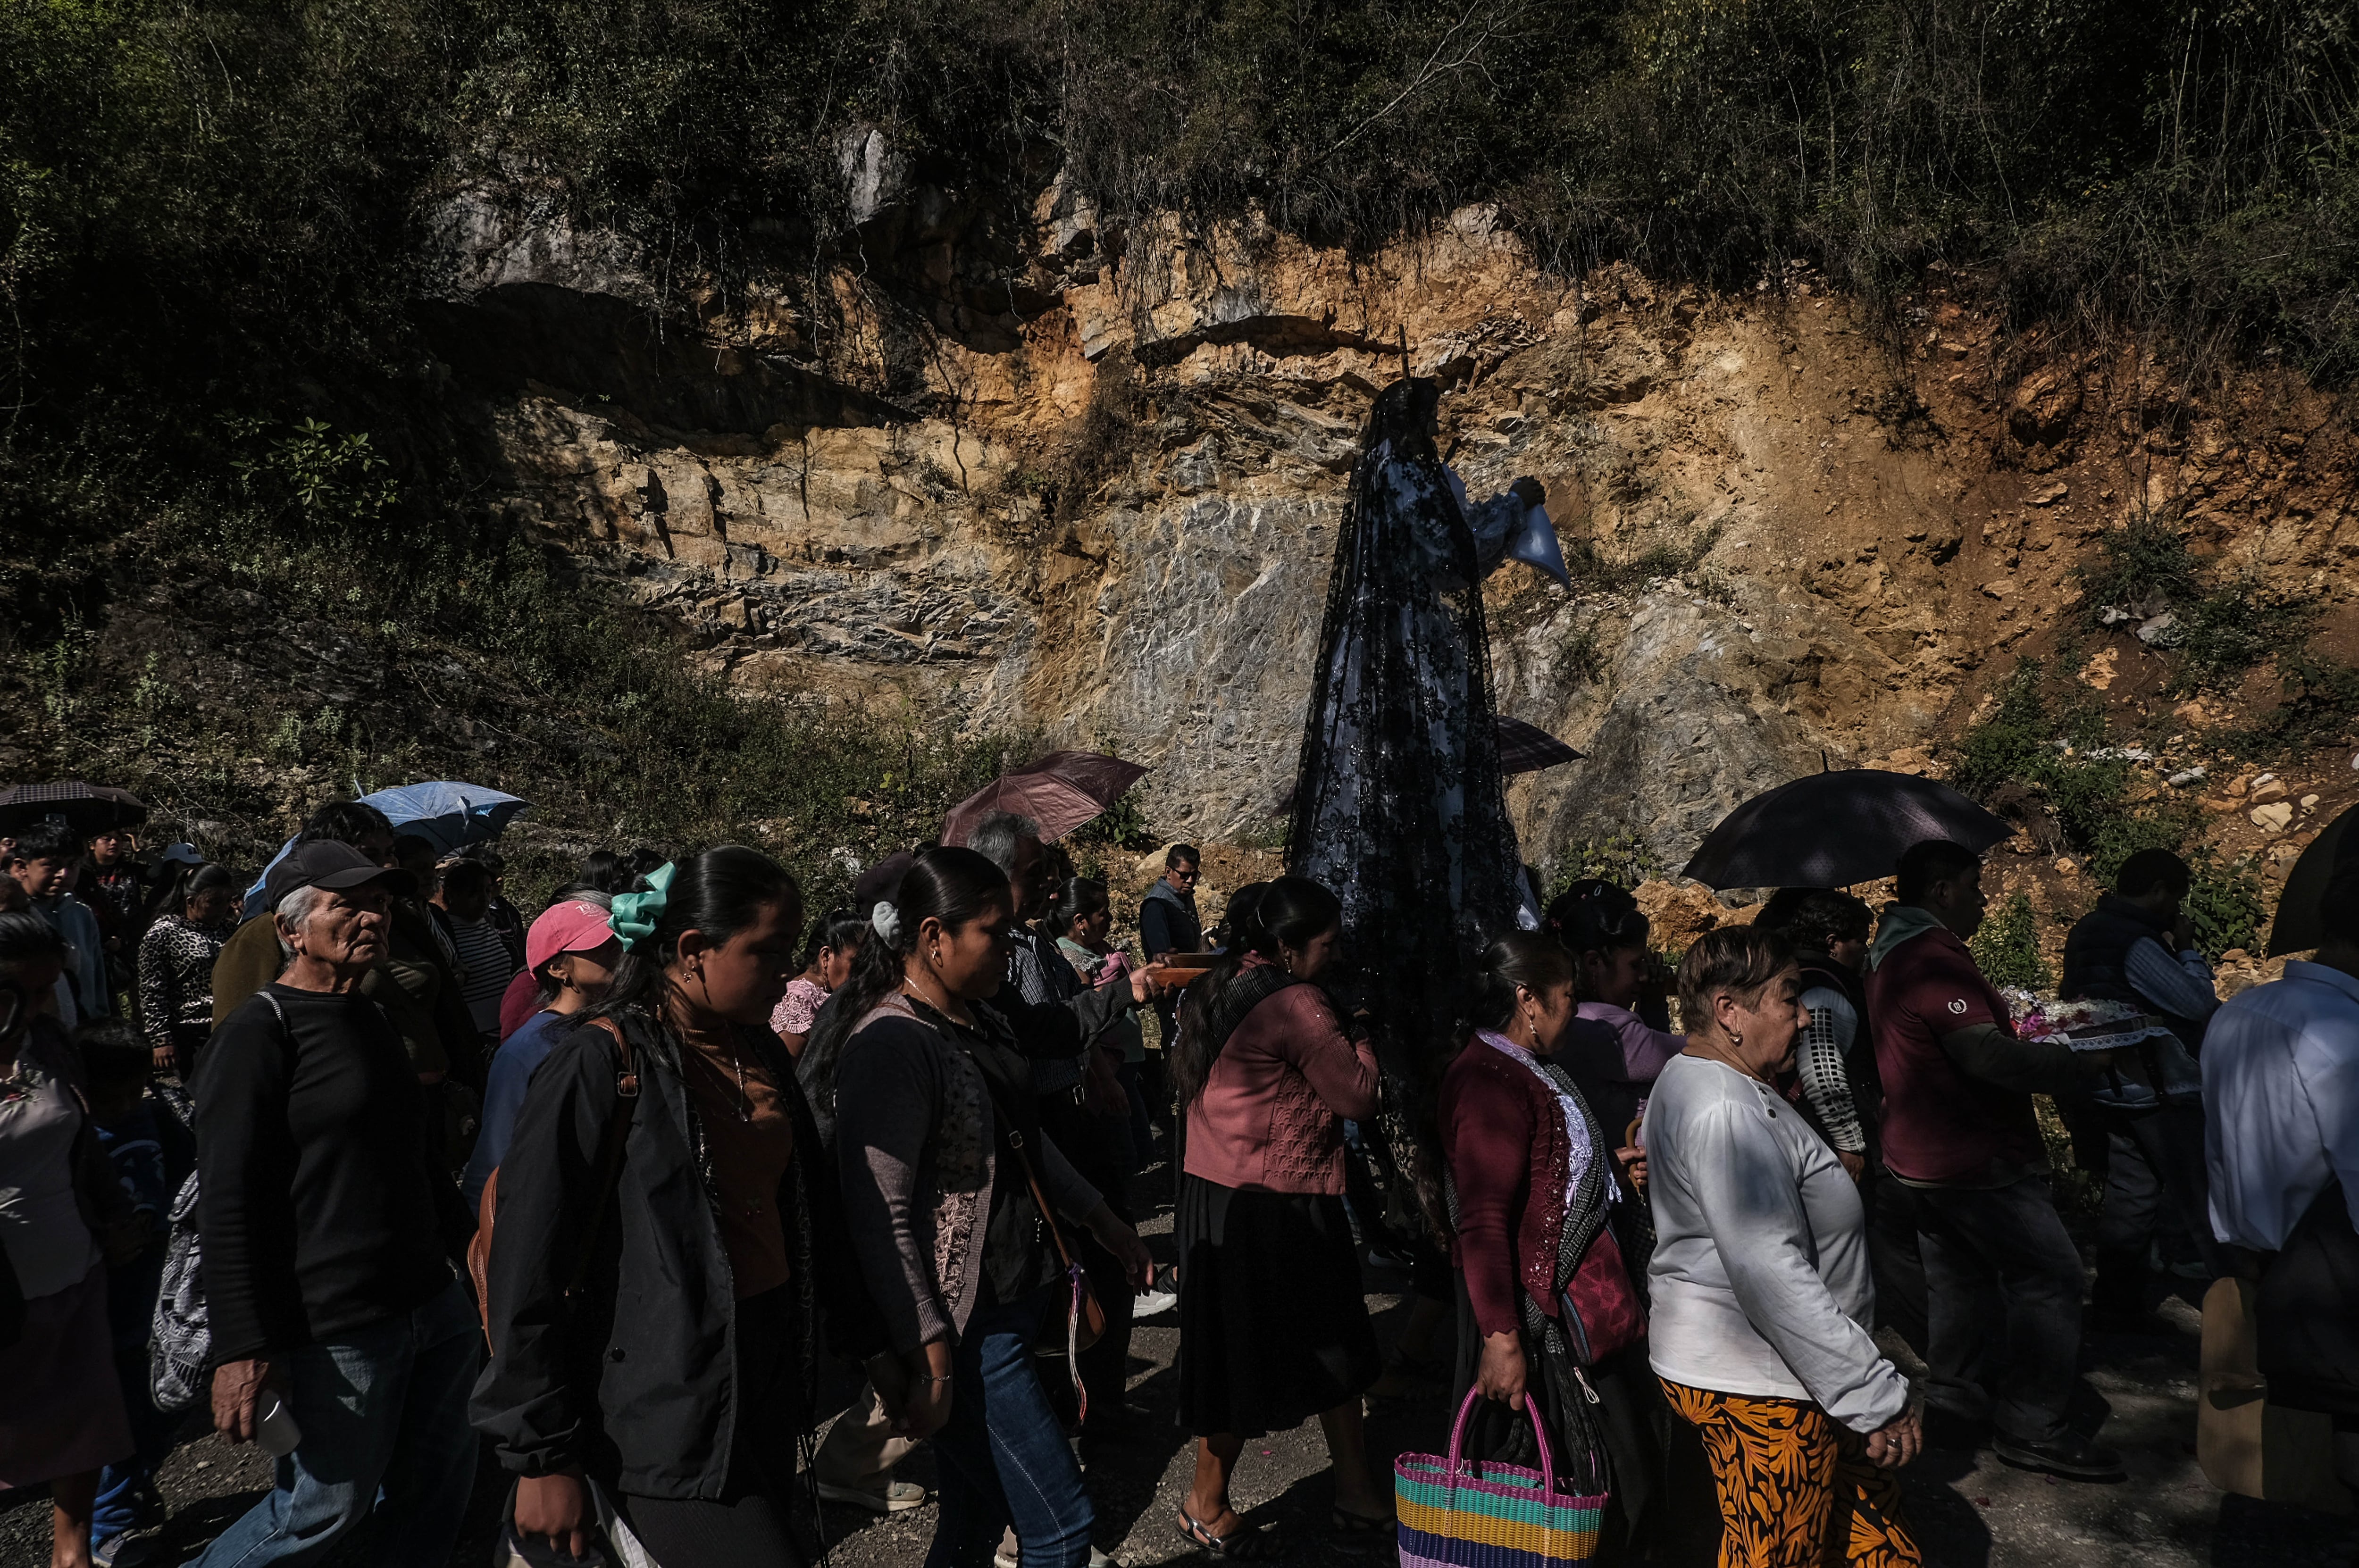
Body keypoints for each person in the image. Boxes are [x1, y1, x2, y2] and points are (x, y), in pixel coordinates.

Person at [477, 848, 880, 1565]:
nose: (787, 971)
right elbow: (526, 1265)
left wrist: (872, 1342)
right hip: (659, 1400)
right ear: (693, 950)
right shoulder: (598, 1065)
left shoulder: (753, 1047)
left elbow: (811, 1210)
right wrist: (539, 1457)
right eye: (767, 951)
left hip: (761, 1375)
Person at [834, 847, 1154, 1568]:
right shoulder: (893, 1042)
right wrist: (933, 1354)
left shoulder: (982, 1020)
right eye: (993, 933)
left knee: (974, 1516)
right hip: (966, 1327)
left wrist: (1105, 1223)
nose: (1008, 952)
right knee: (1062, 1526)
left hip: (1014, 1296)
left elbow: (1023, 1150)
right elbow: (878, 1213)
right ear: (932, 936)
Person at [190, 841, 481, 1568]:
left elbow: (415, 1160)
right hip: (338, 1325)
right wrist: (243, 1349)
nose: (371, 918)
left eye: (380, 904)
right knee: (319, 1513)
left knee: (434, 1489)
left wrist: (477, 1251)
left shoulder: (370, 1018)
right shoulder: (260, 1033)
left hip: (429, 1303)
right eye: (346, 904)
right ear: (291, 929)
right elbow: (229, 1202)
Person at [1648, 923, 1923, 1567]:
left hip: (1802, 1368)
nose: (1803, 1018)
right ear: (1729, 1011)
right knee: (1776, 1556)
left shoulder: (1714, 1083)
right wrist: (1871, 1392)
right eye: (1788, 997)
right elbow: (1767, 1269)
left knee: (1876, 1547)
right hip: (1761, 1381)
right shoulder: (1726, 1110)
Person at [1865, 839, 2119, 1478]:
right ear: (1943, 891)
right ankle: (2033, 1425)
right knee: (2051, 1278)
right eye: (1975, 889)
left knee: (1958, 1278)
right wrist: (2079, 1065)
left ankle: (1956, 1401)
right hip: (1971, 1156)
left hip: (1921, 1155)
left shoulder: (1893, 954)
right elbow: (1988, 1057)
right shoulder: (1928, 959)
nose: (1983, 902)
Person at [1170, 875, 1389, 1555]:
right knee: (1289, 1346)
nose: (1334, 954)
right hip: (1274, 1200)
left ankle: (1351, 1490)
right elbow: (1356, 1097)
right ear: (1290, 948)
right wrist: (1361, 1033)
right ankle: (1207, 1501)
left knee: (1277, 1346)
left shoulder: (1229, 977)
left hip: (1219, 1190)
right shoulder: (1301, 1004)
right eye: (1326, 944)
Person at [1442, 932, 1672, 1561]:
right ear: (1529, 999)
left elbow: (1540, 1182)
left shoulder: (1527, 1065)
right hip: (1527, 1321)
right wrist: (1502, 1339)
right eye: (1567, 997)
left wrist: (1606, 1175)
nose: (1574, 1009)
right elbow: (1485, 1219)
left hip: (1567, 1307)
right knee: (1549, 1487)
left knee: (1617, 1470)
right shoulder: (1490, 1081)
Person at [967, 812, 1151, 1440]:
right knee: (1059, 1271)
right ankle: (1070, 1409)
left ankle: (1099, 1398)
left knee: (1102, 1247)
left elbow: (1062, 1018)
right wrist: (1126, 995)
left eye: (1048, 874)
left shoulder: (1033, 938)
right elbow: (1041, 1030)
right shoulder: (994, 954)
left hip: (1065, 1110)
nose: (1049, 887)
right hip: (1037, 1122)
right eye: (1033, 875)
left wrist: (1094, 1064)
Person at [2202, 858, 2359, 1493]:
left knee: (2296, 1446)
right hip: (2328, 1277)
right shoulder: (2343, 1034)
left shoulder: (2242, 1010)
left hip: (2250, 1255)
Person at [0, 917, 148, 1568]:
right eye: (25, 993)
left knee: (83, 1417)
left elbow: (85, 1146)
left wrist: (113, 1221)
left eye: (48, 991)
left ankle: (74, 1551)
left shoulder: (50, 1043)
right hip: (3, 1290)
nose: (40, 1007)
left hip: (71, 1267)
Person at [2058, 848, 2224, 1329]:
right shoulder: (2135, 940)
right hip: (2159, 1086)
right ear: (2157, 891)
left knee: (2131, 1192)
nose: (2175, 907)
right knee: (2199, 1191)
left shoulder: (2085, 931)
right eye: (2173, 897)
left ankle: (2116, 1302)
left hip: (2110, 1084)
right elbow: (2195, 1003)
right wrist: (2188, 949)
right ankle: (2237, 1307)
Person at [1782, 889, 1929, 1357]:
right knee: (1862, 1238)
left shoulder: (1799, 977)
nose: (1862, 951)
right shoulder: (1823, 986)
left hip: (1810, 1131)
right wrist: (1849, 1142)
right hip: (1830, 1135)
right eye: (1857, 941)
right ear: (1832, 940)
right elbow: (1820, 1069)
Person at [76, 1019, 192, 1568]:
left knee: (164, 1405)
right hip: (108, 1306)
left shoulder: (155, 1117)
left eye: (133, 1092)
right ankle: (107, 1528)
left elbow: (186, 1175)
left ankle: (132, 1487)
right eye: (110, 1097)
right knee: (126, 1417)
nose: (124, 1106)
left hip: (157, 1294)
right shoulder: (73, 1142)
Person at [459, 897, 620, 1212]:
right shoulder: (527, 1050)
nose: (616, 952)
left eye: (616, 940)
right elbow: (495, 1153)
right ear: (558, 967)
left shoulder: (620, 1026)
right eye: (598, 945)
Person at [1550, 880, 1682, 1147]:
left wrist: (1652, 997)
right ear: (1594, 963)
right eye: (1635, 965)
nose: (1644, 974)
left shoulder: (1580, 1017)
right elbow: (1703, 1051)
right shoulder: (1604, 1028)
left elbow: (1651, 1044)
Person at [135, 862, 237, 1077]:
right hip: (189, 1033)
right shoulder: (163, 934)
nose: (223, 909)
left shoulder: (228, 929)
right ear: (191, 902)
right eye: (215, 902)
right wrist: (161, 1039)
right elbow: (152, 992)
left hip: (227, 1026)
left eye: (228, 901)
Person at [8, 821, 112, 1020]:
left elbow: (97, 975)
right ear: (22, 867)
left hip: (84, 1029)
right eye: (51, 865)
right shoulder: (13, 917)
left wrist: (100, 1018)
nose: (63, 874)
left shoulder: (82, 914)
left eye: (72, 865)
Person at [429, 855, 522, 1059]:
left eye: (487, 891)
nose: (484, 899)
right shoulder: (443, 933)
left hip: (506, 1031)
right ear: (452, 893)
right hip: (475, 1040)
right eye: (473, 892)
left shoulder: (486, 924)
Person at [775, 909, 863, 1058]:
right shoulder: (799, 998)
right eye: (855, 962)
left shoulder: (827, 994)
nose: (860, 971)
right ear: (826, 956)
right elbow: (784, 1065)